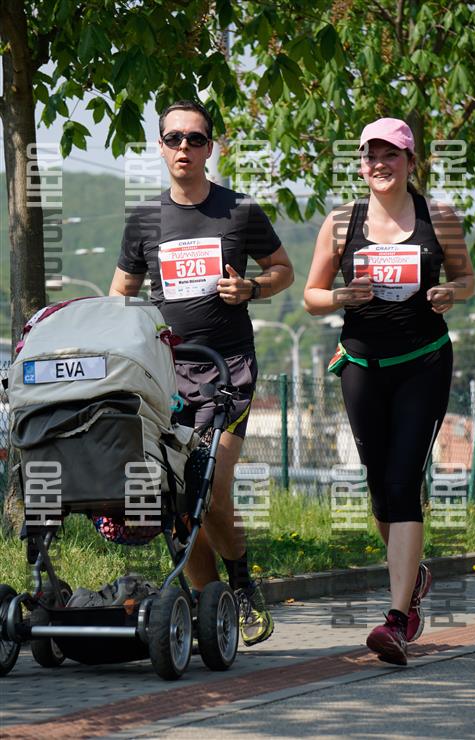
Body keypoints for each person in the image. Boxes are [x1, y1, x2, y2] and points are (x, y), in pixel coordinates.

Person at [110, 100, 294, 646]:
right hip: (165, 377)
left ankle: (241, 584)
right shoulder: (145, 219)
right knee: (174, 498)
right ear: (161, 147)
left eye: (195, 138)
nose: (184, 147)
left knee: (210, 489)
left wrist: (252, 288)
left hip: (227, 371)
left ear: (210, 147)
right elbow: (121, 293)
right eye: (174, 138)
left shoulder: (239, 211)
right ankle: (213, 610)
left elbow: (284, 270)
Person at [304, 118, 475, 665]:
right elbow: (311, 296)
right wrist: (341, 297)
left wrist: (451, 292)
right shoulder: (341, 223)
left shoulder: (439, 217)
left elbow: (467, 279)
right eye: (371, 155)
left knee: (402, 482)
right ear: (361, 165)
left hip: (423, 363)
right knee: (380, 487)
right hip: (361, 365)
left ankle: (397, 620)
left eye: (391, 155)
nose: (380, 164)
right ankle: (413, 574)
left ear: (410, 161)